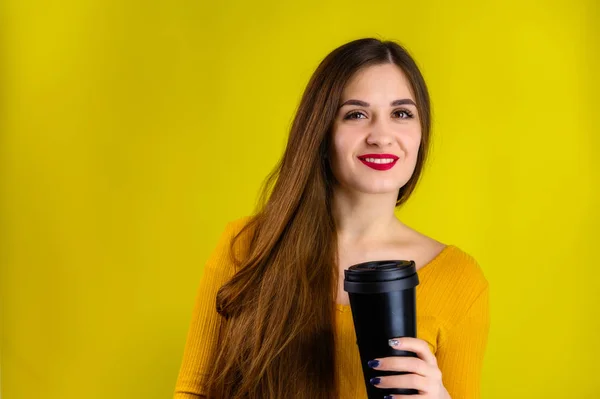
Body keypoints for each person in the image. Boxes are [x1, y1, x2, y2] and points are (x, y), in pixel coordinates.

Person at [173, 38, 490, 399]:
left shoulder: (460, 280)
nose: (382, 136)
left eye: (401, 113)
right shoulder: (248, 247)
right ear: (322, 133)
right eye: (356, 114)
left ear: (421, 133)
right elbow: (194, 391)